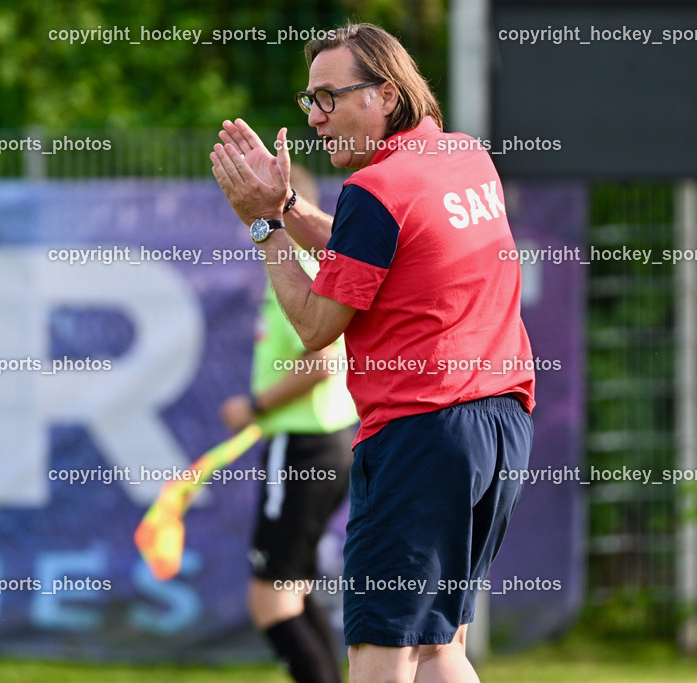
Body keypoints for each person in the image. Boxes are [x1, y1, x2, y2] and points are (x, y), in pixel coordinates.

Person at [210, 23, 535, 683]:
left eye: (331, 97)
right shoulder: (462, 155)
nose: (317, 117)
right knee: (441, 649)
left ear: (387, 95)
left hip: (423, 434)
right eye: (310, 101)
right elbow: (378, 247)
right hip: (500, 427)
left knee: (380, 655)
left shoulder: (376, 188)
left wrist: (265, 225)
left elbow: (316, 324)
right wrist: (289, 204)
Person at [219, 164, 357, 683]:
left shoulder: (292, 264)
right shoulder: (303, 260)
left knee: (270, 599)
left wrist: (254, 407)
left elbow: (319, 363)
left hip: (305, 445)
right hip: (329, 442)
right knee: (291, 589)